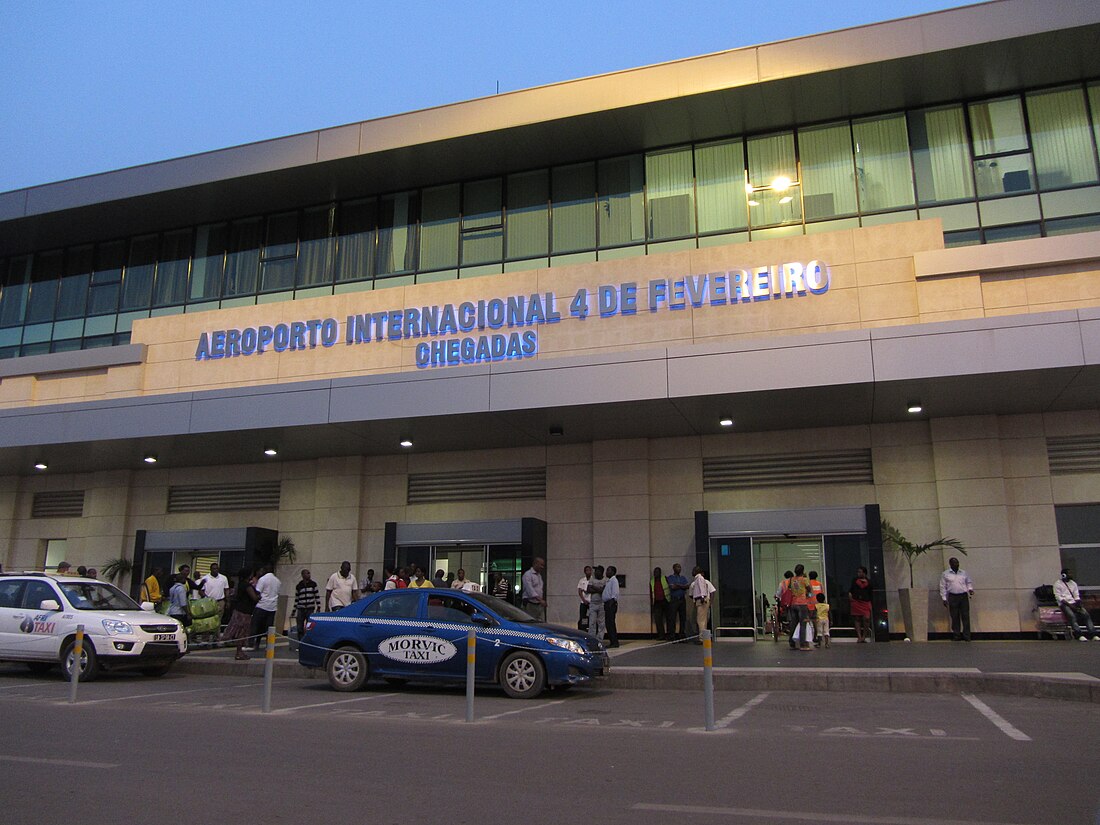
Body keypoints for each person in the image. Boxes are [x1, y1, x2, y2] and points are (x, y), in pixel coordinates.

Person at [221, 567, 257, 660]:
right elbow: (254, 598)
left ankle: (239, 651)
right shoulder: (247, 586)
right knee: (242, 632)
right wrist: (260, 596)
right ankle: (239, 652)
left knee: (238, 631)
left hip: (239, 610)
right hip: (245, 612)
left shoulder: (240, 584)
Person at [1054, 568, 1097, 641]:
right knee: (1072, 617)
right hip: (1064, 604)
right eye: (1069, 573)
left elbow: (1076, 596)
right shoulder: (1057, 584)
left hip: (1073, 603)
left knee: (1086, 615)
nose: (1071, 575)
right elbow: (1059, 598)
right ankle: (1079, 635)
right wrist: (1071, 607)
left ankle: (1093, 634)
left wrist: (1079, 605)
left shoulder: (1073, 583)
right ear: (1064, 575)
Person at [939, 557, 974, 641]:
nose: (957, 564)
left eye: (957, 563)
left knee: (965, 616)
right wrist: (944, 598)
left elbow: (968, 582)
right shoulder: (945, 574)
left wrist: (970, 589)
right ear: (950, 564)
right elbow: (942, 586)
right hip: (952, 596)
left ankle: (967, 636)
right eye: (954, 563)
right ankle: (956, 635)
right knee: (954, 616)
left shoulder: (964, 573)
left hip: (963, 596)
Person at [249, 564, 280, 649]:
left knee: (255, 625)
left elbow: (258, 592)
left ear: (265, 570)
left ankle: (251, 644)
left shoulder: (263, 579)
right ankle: (268, 645)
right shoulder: (277, 580)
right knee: (268, 628)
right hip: (272, 607)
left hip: (262, 605)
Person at [786, 565, 814, 650]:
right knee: (803, 624)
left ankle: (792, 643)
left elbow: (789, 588)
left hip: (793, 603)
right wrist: (809, 597)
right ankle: (803, 644)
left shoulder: (792, 579)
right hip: (802, 604)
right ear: (803, 571)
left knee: (793, 624)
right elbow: (810, 590)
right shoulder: (804, 579)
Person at [689, 566, 716, 643]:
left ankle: (702, 638)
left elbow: (700, 589)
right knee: (704, 620)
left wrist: (702, 596)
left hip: (701, 600)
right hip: (704, 600)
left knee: (700, 620)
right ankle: (705, 637)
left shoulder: (698, 579)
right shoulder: (702, 580)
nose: (692, 572)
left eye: (694, 570)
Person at [294, 569, 321, 641]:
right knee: (300, 626)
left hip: (310, 608)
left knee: (309, 626)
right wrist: (294, 610)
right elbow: (297, 598)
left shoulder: (313, 584)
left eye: (309, 573)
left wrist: (318, 607)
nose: (309, 575)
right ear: (303, 575)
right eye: (307, 573)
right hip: (301, 608)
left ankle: (309, 641)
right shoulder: (299, 586)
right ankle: (300, 641)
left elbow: (317, 596)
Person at [848, 567, 872, 643]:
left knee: (866, 619)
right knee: (857, 618)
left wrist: (870, 603)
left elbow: (870, 593)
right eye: (858, 572)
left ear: (864, 573)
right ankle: (859, 636)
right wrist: (850, 597)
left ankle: (864, 636)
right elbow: (851, 590)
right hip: (856, 601)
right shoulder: (855, 580)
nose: (858, 573)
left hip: (865, 602)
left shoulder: (869, 582)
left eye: (860, 572)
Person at [666, 563, 689, 640]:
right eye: (677, 567)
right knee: (672, 618)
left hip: (682, 599)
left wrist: (678, 585)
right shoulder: (670, 577)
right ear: (674, 568)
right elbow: (672, 587)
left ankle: (682, 634)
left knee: (683, 617)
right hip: (674, 599)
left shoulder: (683, 577)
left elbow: (687, 586)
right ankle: (672, 635)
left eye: (680, 567)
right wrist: (681, 586)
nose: (679, 569)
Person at [586, 565, 607, 643]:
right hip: (593, 603)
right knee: (592, 622)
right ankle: (591, 638)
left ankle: (600, 639)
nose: (595, 573)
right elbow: (588, 589)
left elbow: (603, 591)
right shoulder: (592, 579)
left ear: (601, 572)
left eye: (597, 571)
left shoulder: (605, 580)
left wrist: (594, 587)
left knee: (601, 623)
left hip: (601, 604)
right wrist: (598, 589)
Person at [650, 566, 671, 640]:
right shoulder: (652, 581)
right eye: (654, 572)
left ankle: (669, 635)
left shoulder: (664, 578)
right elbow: (651, 592)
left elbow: (670, 588)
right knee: (658, 620)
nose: (655, 573)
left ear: (660, 572)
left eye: (657, 572)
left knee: (669, 619)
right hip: (657, 602)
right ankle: (661, 635)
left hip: (666, 600)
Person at [603, 565, 620, 647]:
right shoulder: (608, 581)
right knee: (608, 624)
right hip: (607, 603)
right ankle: (612, 641)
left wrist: (611, 603)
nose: (606, 572)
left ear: (613, 572)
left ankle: (614, 642)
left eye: (608, 570)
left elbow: (615, 593)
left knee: (611, 623)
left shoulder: (614, 581)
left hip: (611, 604)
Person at [577, 565, 593, 631]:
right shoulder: (581, 580)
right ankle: (582, 629)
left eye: (589, 570)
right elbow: (580, 591)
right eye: (587, 570)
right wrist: (584, 600)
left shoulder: (593, 580)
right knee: (582, 617)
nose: (588, 572)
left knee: (592, 617)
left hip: (591, 601)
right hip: (583, 602)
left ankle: (591, 630)